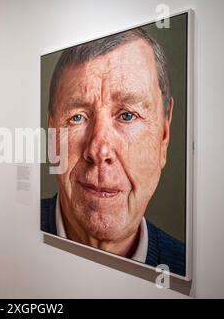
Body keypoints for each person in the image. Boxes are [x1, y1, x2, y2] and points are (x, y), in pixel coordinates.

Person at [41, 28, 185, 276]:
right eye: (77, 117)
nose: (99, 149)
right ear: (52, 132)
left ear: (164, 133)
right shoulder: (7, 233)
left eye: (127, 115)